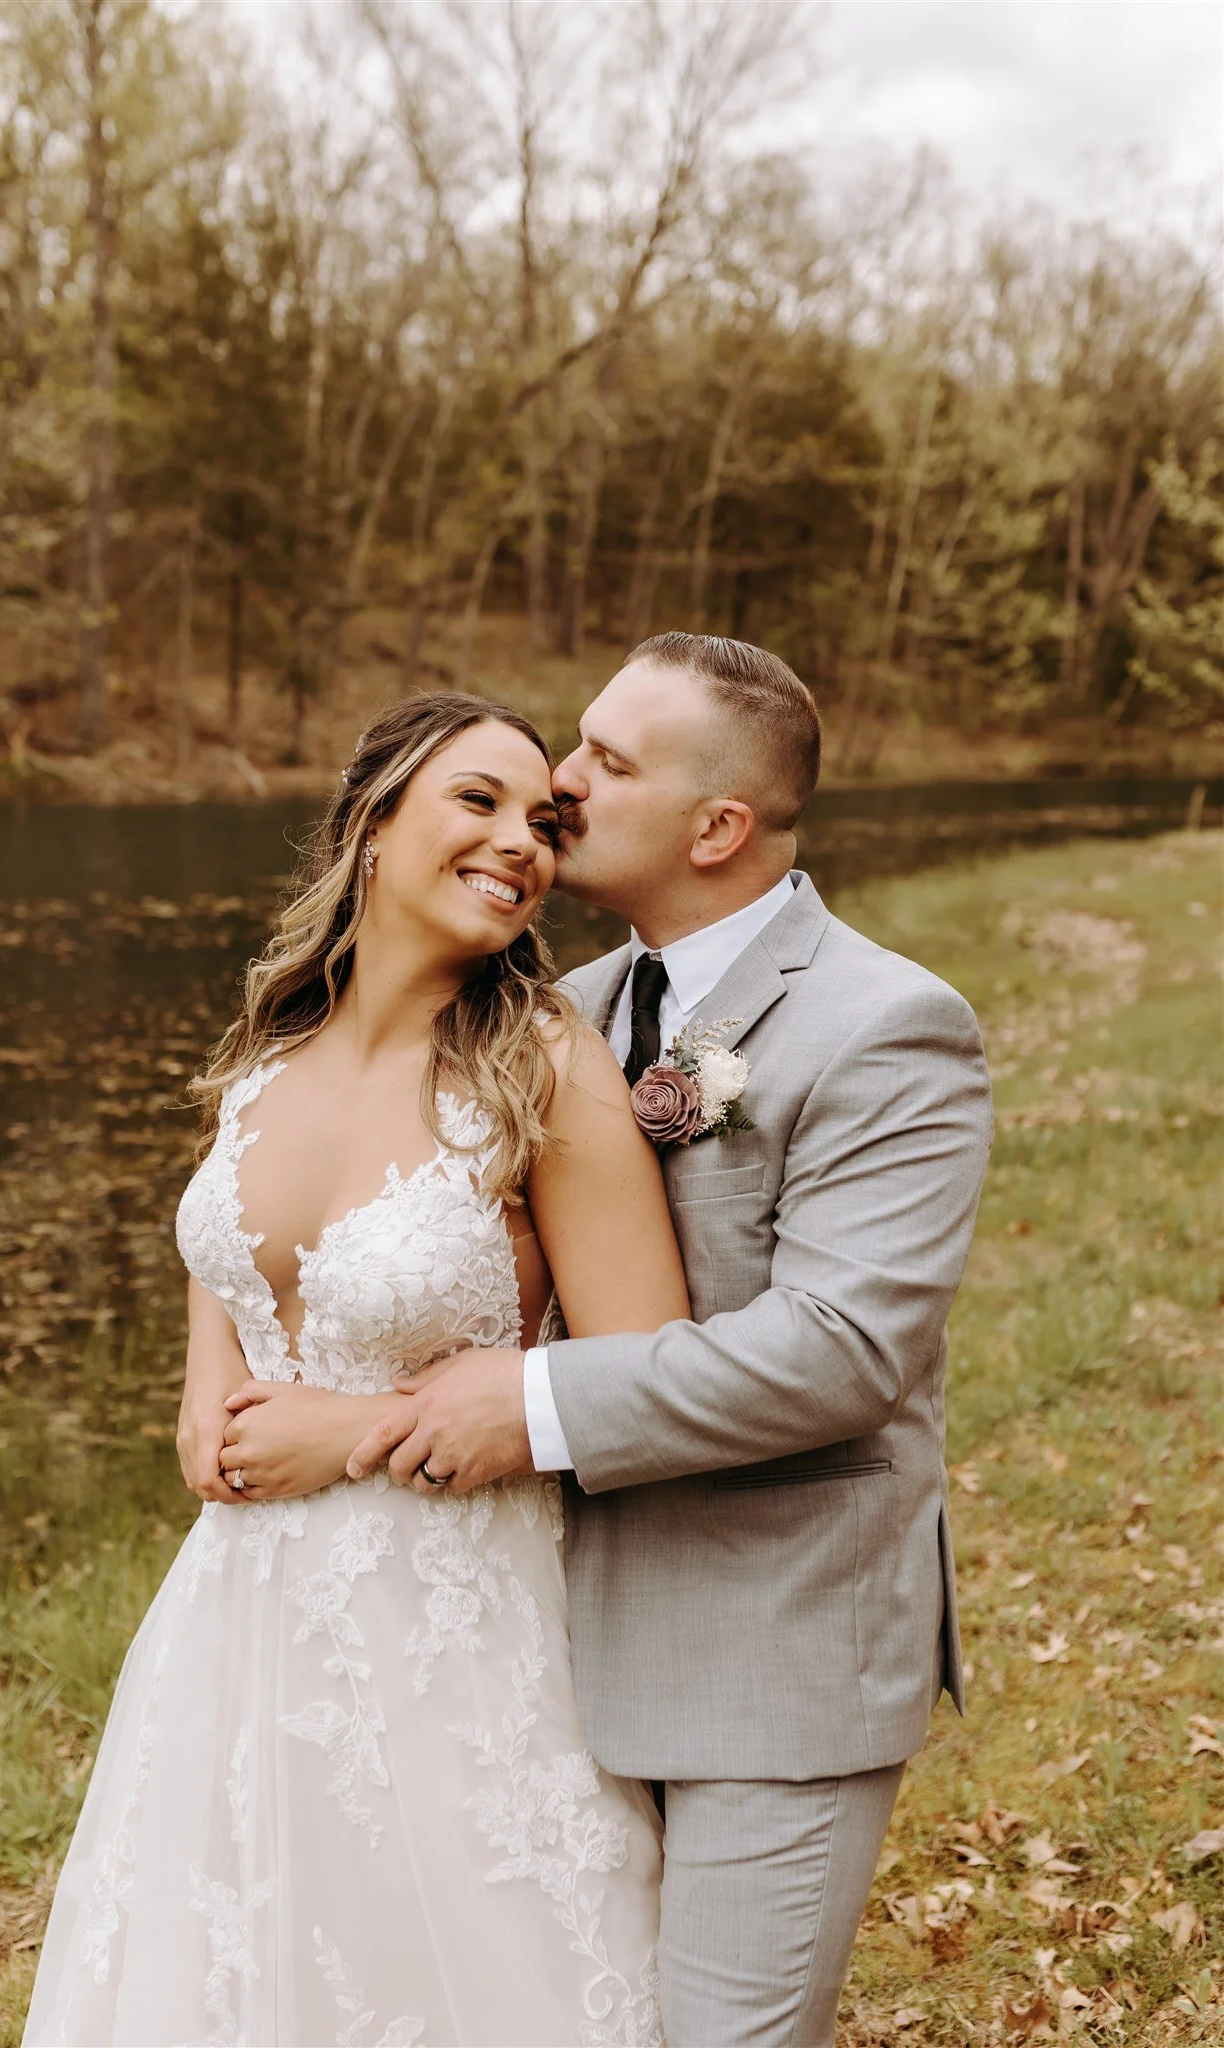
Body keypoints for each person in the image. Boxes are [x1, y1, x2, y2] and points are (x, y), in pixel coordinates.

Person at [341, 634, 995, 2047]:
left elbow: (839, 1353)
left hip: (776, 1643)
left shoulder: (887, 1026)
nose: (558, 785)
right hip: (548, 1647)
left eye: (606, 762)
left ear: (719, 826)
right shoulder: (564, 1013)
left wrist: (530, 1401)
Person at [22, 693, 687, 2047]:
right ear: (375, 827)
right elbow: (236, 1253)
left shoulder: (541, 1066)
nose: (524, 843)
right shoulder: (267, 1054)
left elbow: (643, 1376)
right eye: (480, 801)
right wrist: (201, 1384)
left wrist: (355, 1431)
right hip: (238, 1612)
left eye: (546, 822)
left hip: (456, 1627)